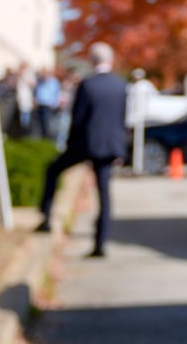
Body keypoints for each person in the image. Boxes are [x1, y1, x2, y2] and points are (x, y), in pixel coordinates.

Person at [35, 43, 127, 258]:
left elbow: (78, 120)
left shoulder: (88, 84)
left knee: (53, 169)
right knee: (104, 195)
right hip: (109, 147)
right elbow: (122, 120)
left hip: (86, 145)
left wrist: (70, 146)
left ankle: (46, 217)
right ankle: (101, 243)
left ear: (92, 61)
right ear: (110, 60)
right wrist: (120, 151)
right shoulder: (120, 85)